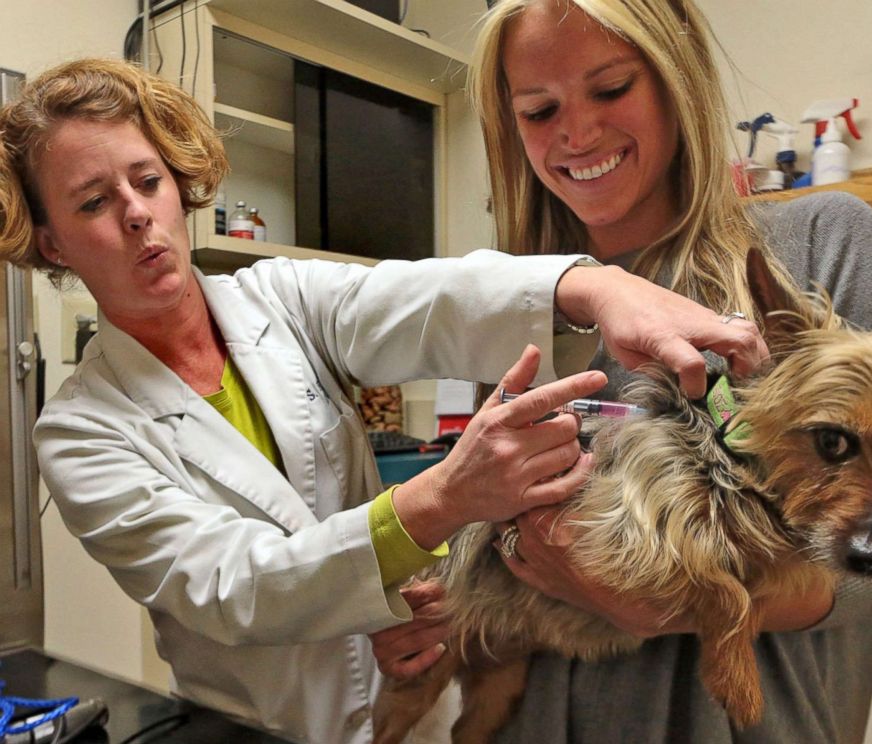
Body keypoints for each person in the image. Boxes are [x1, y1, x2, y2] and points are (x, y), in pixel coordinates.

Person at [0, 57, 769, 744]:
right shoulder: (80, 430)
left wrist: (593, 286)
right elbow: (237, 585)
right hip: (255, 726)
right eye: (95, 202)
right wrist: (443, 500)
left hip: (408, 703)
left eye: (147, 181)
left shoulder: (280, 299)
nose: (137, 213)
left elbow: (421, 298)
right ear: (53, 242)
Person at [372, 1, 872, 743]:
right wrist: (448, 602)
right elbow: (498, 519)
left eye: (610, 90)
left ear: (678, 82)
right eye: (539, 110)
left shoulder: (821, 250)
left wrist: (675, 603)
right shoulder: (523, 307)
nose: (576, 134)